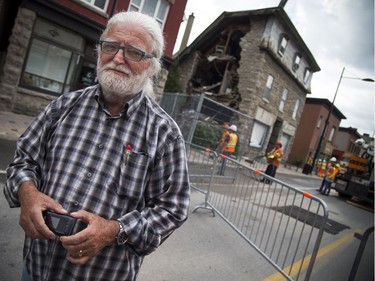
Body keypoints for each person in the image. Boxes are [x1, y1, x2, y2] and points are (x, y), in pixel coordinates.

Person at [3, 11, 190, 281]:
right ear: (99, 49)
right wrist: (27, 193)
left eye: (133, 52)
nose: (117, 58)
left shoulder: (165, 133)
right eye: (111, 46)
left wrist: (114, 230)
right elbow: (23, 161)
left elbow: (172, 209)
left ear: (152, 66)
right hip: (35, 268)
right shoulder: (63, 107)